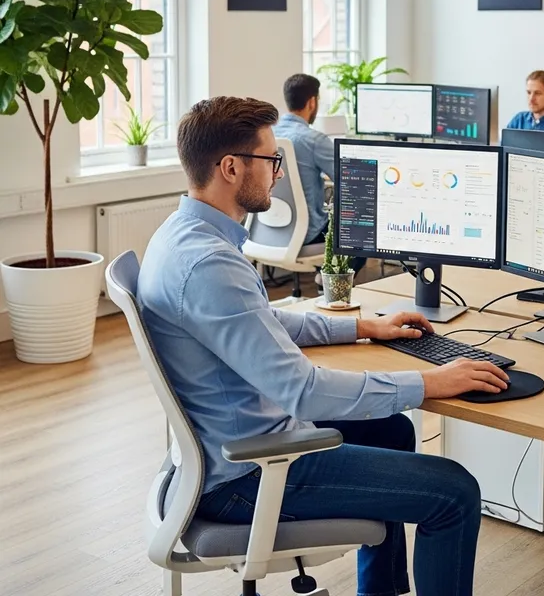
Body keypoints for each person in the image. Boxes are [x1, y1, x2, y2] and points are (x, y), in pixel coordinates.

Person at [137, 96, 510, 596]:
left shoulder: (181, 235)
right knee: (455, 491)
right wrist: (429, 382)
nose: (277, 174)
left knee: (393, 431)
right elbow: (303, 392)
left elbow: (262, 321)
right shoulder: (209, 265)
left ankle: (379, 591)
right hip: (248, 475)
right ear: (230, 168)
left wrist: (361, 328)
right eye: (270, 161)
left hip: (221, 450)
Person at [274, 73, 366, 279]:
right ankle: (330, 284)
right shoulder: (313, 140)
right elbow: (351, 178)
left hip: (268, 233)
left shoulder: (268, 134)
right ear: (312, 102)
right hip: (307, 234)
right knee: (362, 229)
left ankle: (325, 279)